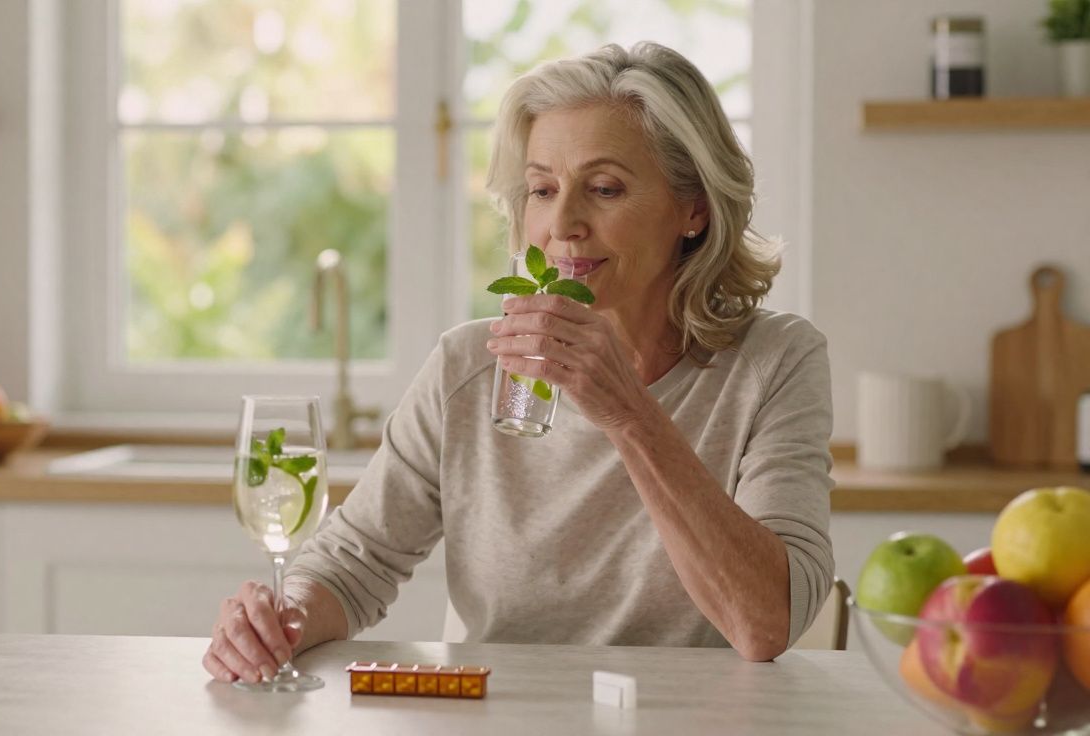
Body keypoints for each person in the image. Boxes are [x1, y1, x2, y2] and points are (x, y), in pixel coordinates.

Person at [204, 41, 834, 684]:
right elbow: (351, 563)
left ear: (693, 207)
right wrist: (280, 620)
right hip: (495, 713)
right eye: (542, 189)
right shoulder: (466, 366)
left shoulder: (776, 363)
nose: (563, 223)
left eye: (605, 189)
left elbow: (766, 624)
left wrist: (630, 415)